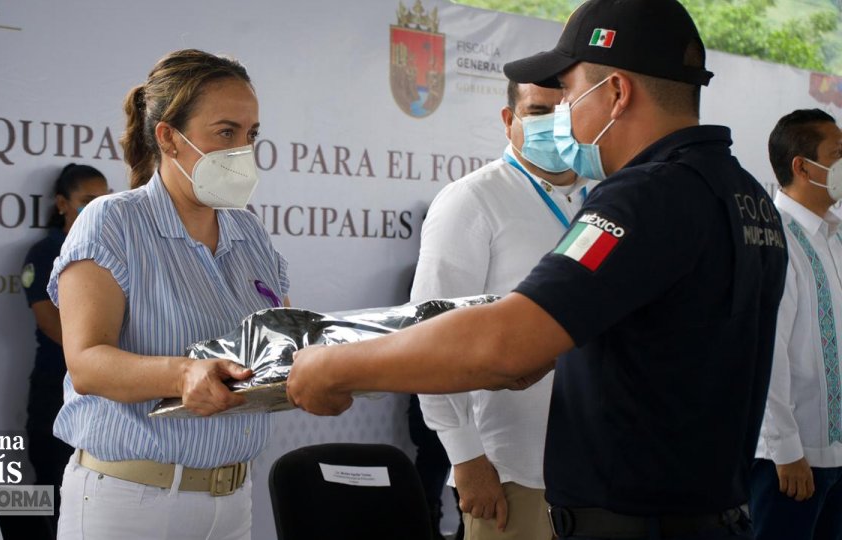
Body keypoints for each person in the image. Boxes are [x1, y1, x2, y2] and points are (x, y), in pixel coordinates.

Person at [287, 1, 787, 539]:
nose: (564, 115)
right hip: (707, 513)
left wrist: (336, 367)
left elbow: (502, 343)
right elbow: (663, 336)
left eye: (570, 95)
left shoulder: (643, 197)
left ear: (617, 93)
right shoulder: (744, 194)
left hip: (632, 520)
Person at [47, 49, 290, 540]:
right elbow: (87, 364)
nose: (243, 150)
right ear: (169, 139)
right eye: (226, 133)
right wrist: (183, 373)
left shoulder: (250, 233)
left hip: (233, 500)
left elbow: (272, 345)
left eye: (251, 135)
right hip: (132, 503)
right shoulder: (112, 222)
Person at [413, 80, 590, 540]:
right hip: (509, 467)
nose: (553, 124)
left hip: (599, 465)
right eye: (538, 111)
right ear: (509, 120)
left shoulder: (606, 198)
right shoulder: (472, 200)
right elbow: (430, 336)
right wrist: (465, 455)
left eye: (564, 111)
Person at [750, 109, 842, 540]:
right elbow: (765, 352)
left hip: (836, 455)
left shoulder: (836, 236)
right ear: (802, 167)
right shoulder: (774, 237)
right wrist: (786, 450)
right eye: (838, 154)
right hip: (791, 463)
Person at [21, 163, 109, 531]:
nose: (97, 209)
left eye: (104, 201)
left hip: (102, 403)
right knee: (54, 509)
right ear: (61, 203)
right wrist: (103, 352)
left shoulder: (110, 248)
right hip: (55, 393)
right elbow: (51, 323)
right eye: (87, 201)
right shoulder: (45, 253)